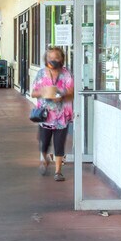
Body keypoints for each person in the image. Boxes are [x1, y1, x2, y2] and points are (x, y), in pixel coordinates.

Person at [30, 47, 74, 181]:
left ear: (62, 59)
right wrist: (45, 92)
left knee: (59, 144)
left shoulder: (66, 74)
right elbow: (33, 92)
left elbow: (71, 94)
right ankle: (45, 159)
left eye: (56, 58)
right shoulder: (41, 74)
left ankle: (58, 171)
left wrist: (61, 96)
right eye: (51, 58)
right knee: (44, 144)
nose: (53, 60)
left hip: (61, 116)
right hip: (45, 116)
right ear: (46, 59)